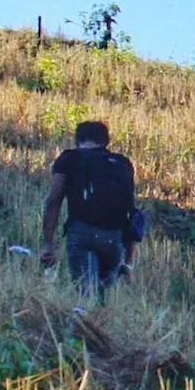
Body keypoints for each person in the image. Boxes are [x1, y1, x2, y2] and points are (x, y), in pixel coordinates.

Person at [41, 121, 137, 301]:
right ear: (106, 141)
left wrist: (49, 243)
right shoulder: (123, 164)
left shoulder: (69, 159)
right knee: (103, 300)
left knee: (86, 297)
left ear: (77, 140)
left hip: (81, 233)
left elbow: (53, 200)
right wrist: (129, 262)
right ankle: (100, 327)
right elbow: (132, 213)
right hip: (114, 239)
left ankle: (84, 326)